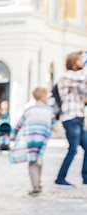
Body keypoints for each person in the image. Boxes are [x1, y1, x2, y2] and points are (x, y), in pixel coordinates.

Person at [11, 87, 55, 196]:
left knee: (32, 161)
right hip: (43, 138)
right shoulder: (49, 110)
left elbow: (19, 125)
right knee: (39, 159)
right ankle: (37, 184)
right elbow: (54, 124)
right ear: (43, 97)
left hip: (30, 138)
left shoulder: (28, 110)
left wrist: (12, 137)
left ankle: (35, 185)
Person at [54, 50, 87, 188]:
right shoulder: (67, 76)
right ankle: (60, 178)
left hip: (79, 117)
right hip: (70, 117)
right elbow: (82, 78)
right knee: (73, 149)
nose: (82, 62)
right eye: (80, 60)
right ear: (74, 64)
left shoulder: (77, 78)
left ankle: (85, 177)